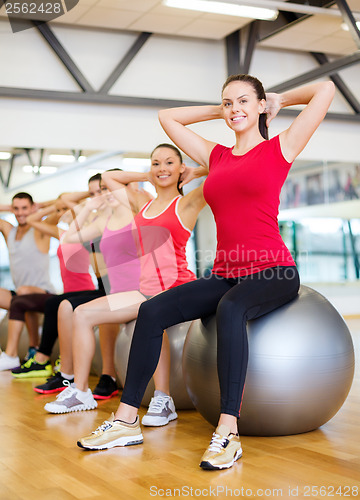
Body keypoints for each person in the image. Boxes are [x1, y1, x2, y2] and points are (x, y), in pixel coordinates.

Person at [77, 75, 335, 470]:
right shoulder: (216, 156)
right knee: (151, 312)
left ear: (261, 105)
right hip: (227, 272)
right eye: (228, 103)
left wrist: (276, 100)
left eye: (243, 102)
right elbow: (168, 118)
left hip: (274, 271)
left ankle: (228, 431)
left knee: (231, 309)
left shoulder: (280, 148)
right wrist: (222, 109)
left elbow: (326, 88)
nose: (235, 109)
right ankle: (127, 419)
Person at [44, 144, 206, 424]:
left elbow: (225, 168)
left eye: (169, 163)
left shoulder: (187, 203)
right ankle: (80, 391)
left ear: (181, 167)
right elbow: (109, 178)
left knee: (154, 314)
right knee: (82, 314)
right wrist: (151, 176)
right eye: (156, 163)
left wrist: (194, 171)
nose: (162, 168)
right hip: (142, 290)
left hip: (175, 285)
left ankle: (163, 399)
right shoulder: (142, 205)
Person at [10, 176, 104, 379]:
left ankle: (45, 359)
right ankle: (48, 359)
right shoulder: (63, 234)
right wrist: (51, 206)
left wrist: (89, 196)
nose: (62, 213)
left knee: (55, 303)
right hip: (68, 292)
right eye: (60, 210)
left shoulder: (88, 230)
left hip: (85, 288)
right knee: (55, 304)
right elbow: (33, 220)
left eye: (65, 209)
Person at [0, 192, 55, 371]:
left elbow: (62, 203)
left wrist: (38, 206)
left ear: (32, 207)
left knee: (24, 292)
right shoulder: (10, 230)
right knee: (21, 293)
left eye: (25, 208)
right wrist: (10, 209)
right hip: (20, 294)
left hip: (45, 294)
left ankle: (33, 348)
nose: (20, 212)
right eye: (16, 208)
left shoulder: (40, 229)